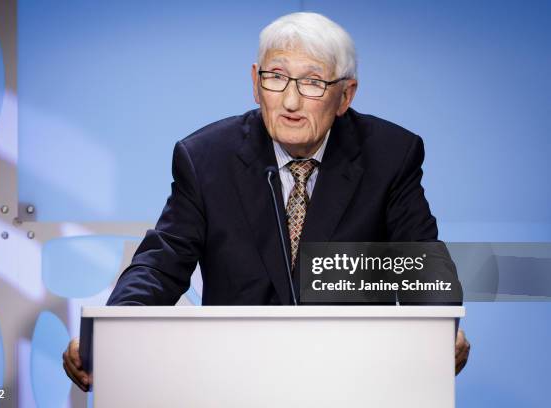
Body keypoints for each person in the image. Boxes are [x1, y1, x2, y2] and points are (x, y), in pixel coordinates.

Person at [63, 12, 471, 391]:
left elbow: (420, 260)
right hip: (235, 378)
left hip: (352, 376)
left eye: (312, 82)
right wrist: (108, 334)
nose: (290, 102)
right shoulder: (207, 158)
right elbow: (161, 263)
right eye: (276, 77)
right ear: (256, 83)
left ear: (345, 96)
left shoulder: (390, 155)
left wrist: (439, 327)